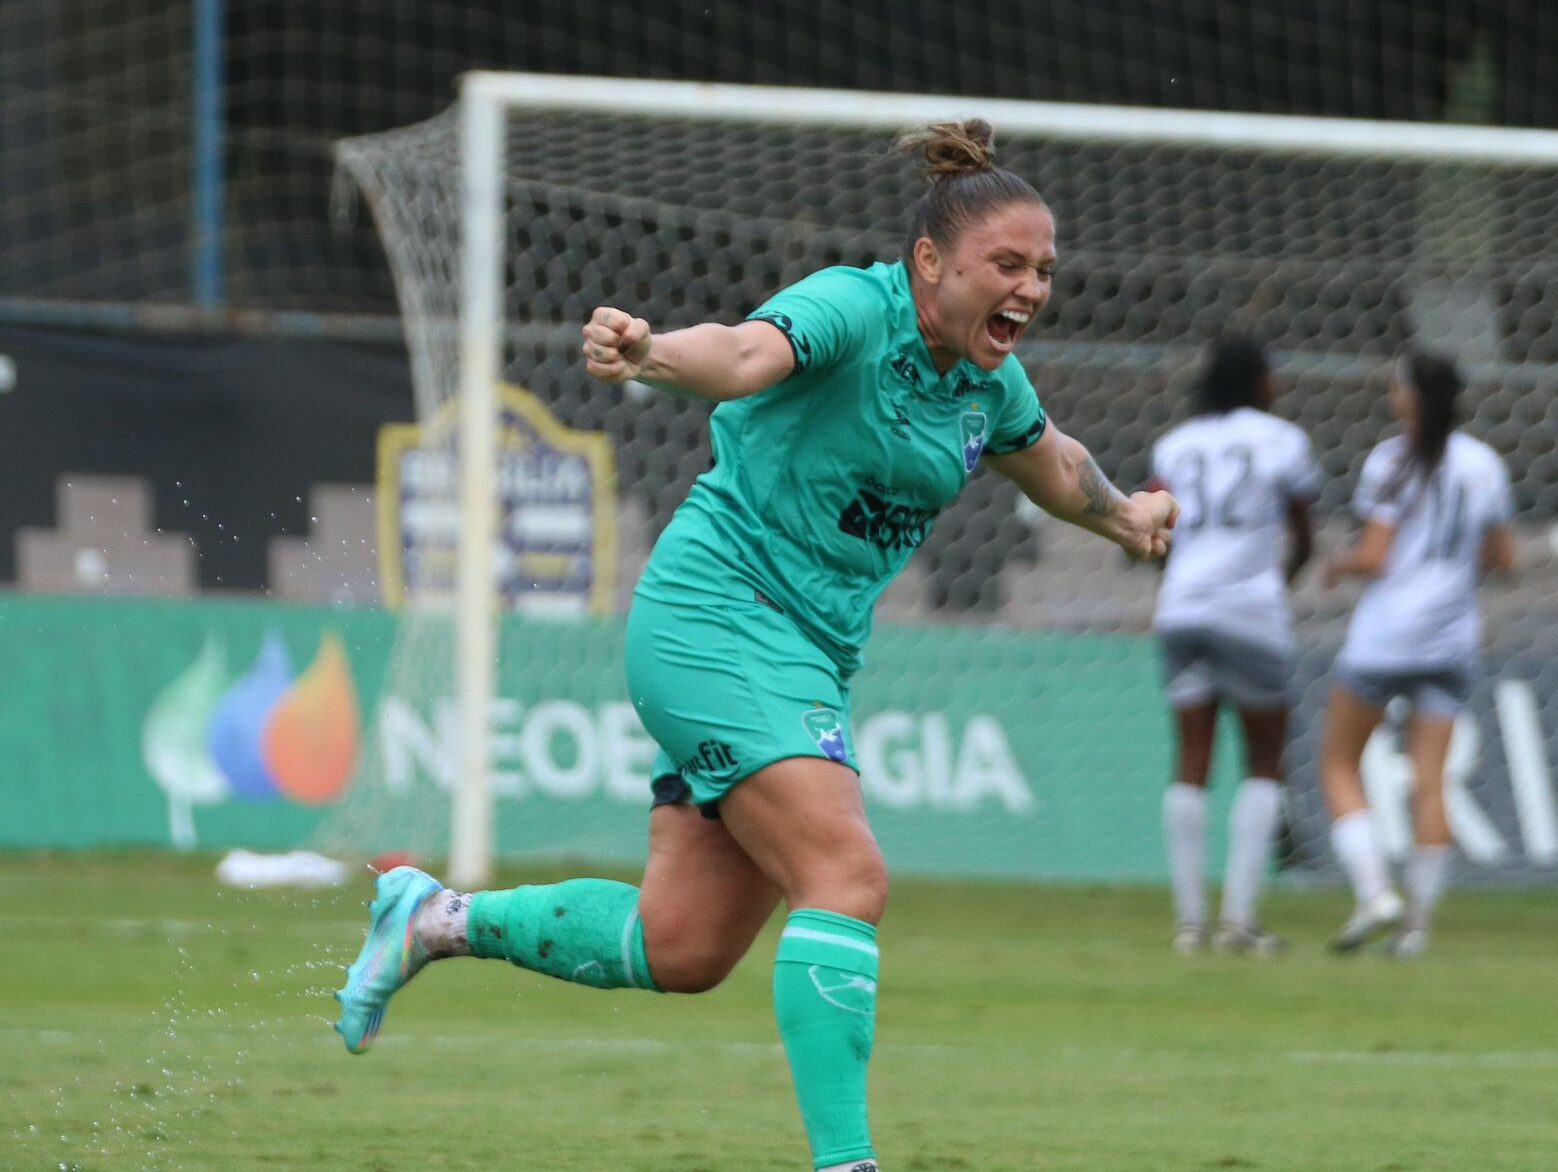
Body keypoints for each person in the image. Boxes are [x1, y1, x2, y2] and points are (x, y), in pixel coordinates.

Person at [334, 120, 1178, 1172]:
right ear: (930, 261)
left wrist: (1124, 519)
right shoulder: (851, 307)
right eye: (1006, 264)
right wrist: (650, 354)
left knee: (680, 944)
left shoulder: (983, 383)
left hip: (802, 656)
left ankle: (434, 917)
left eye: (1043, 269)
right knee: (846, 869)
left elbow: (1050, 461)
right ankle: (847, 1163)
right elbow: (738, 354)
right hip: (716, 615)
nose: (1031, 287)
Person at [1320, 350, 1515, 958]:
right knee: (1432, 782)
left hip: (1385, 636)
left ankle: (1376, 891)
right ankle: (1418, 929)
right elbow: (1504, 557)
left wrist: (1340, 565)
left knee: (1338, 763)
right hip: (1452, 638)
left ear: (1409, 396)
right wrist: (1452, 572)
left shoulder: (1391, 461)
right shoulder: (1484, 465)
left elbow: (1376, 557)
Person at [1150, 336, 1318, 956]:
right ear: (1258, 380)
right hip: (1250, 610)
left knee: (1191, 759)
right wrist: (1279, 584)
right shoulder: (1282, 439)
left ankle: (1189, 923)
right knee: (1263, 761)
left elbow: (1154, 526)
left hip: (1181, 608)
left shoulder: (1176, 443)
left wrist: (1178, 585)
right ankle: (1239, 922)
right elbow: (1304, 533)